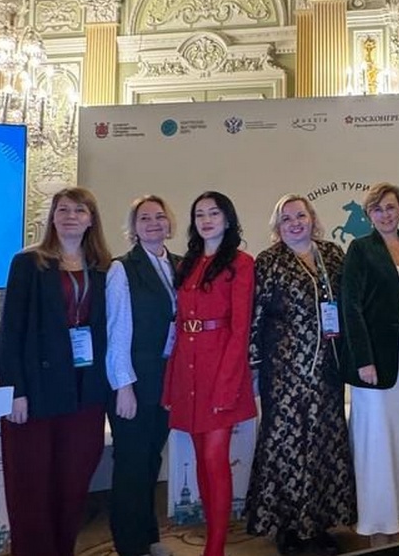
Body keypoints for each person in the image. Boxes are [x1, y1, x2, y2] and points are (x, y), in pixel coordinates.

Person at [0, 186, 112, 556]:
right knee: (31, 486)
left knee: (73, 482)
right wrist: (14, 391)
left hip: (85, 390)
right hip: (37, 390)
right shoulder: (29, 263)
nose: (70, 217)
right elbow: (10, 331)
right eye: (63, 210)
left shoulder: (104, 268)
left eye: (79, 210)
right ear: (52, 217)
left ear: (91, 219)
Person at [246, 194, 355, 556]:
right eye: (287, 218)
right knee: (286, 445)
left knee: (324, 442)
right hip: (284, 371)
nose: (295, 223)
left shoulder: (333, 255)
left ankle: (319, 523)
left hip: (327, 368)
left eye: (300, 216)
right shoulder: (269, 261)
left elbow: (348, 306)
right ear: (278, 226)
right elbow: (256, 316)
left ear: (312, 218)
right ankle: (288, 527)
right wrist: (254, 365)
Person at [339, 182, 399, 547]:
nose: (385, 214)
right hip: (374, 366)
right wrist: (363, 359)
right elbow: (350, 307)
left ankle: (395, 520)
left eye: (391, 207)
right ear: (368, 214)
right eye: (377, 209)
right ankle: (375, 528)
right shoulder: (360, 249)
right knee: (375, 446)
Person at [161, 191, 256, 556]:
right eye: (199, 214)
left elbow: (240, 328)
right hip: (188, 366)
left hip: (220, 367)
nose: (206, 220)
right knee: (201, 456)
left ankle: (215, 547)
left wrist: (227, 384)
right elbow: (179, 325)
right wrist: (171, 381)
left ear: (227, 219)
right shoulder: (187, 264)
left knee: (215, 457)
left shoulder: (241, 263)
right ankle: (210, 535)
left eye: (213, 213)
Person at [105, 195, 181, 556]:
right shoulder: (122, 269)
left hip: (166, 379)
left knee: (151, 460)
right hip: (134, 382)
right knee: (131, 465)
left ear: (169, 223)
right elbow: (117, 330)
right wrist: (124, 385)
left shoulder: (179, 265)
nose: (153, 223)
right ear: (133, 228)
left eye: (159, 217)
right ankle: (130, 546)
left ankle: (148, 537)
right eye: (144, 218)